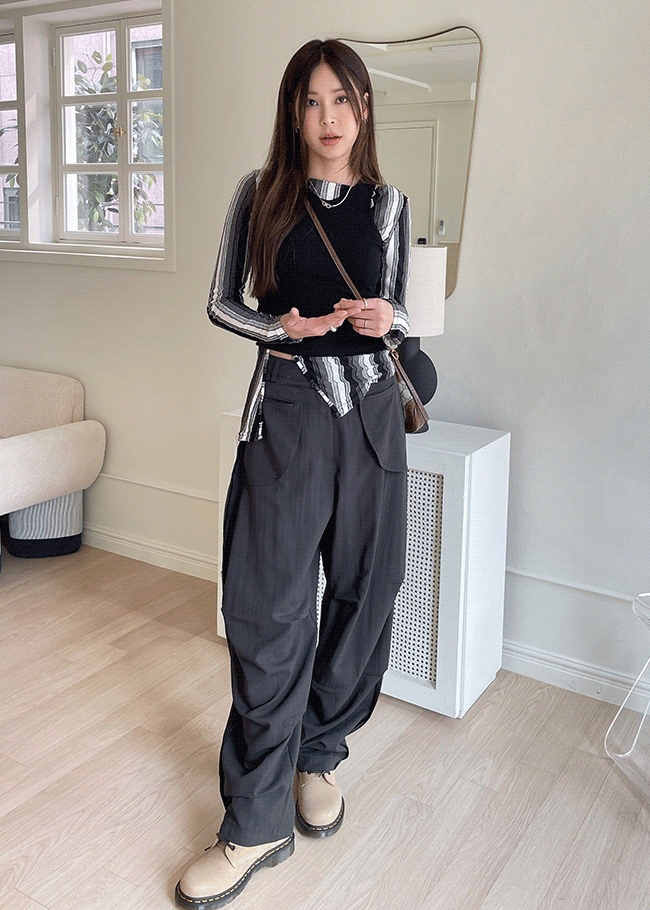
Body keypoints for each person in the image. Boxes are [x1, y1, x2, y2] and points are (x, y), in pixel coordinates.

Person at [176, 37, 411, 910]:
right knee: (267, 611)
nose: (328, 118)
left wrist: (387, 317)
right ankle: (254, 820)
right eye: (312, 101)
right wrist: (285, 330)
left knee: (366, 593)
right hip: (288, 411)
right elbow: (220, 302)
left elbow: (403, 312)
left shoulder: (390, 204)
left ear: (364, 107)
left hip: (373, 420)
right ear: (293, 112)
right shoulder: (260, 194)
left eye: (342, 99)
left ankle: (319, 754)